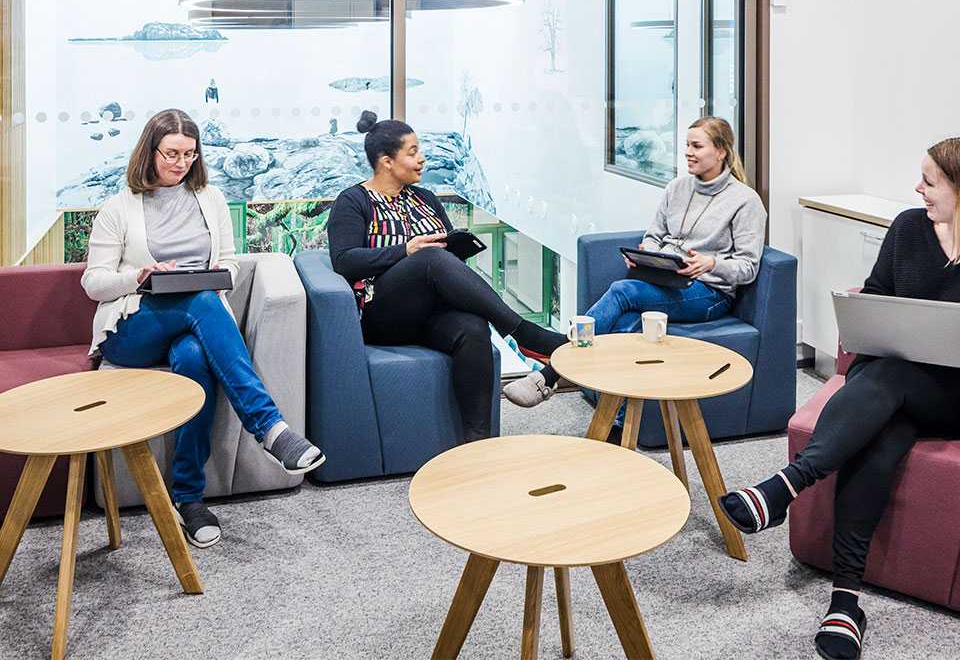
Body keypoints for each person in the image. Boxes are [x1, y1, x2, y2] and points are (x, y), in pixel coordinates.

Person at [720, 138, 960, 660]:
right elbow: (874, 293)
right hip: (891, 381)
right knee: (881, 433)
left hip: (951, 395)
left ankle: (787, 485)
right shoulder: (907, 228)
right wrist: (868, 314)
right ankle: (845, 602)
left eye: (930, 182)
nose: (917, 189)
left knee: (889, 380)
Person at [82, 109, 324, 549]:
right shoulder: (118, 209)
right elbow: (94, 284)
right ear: (149, 152)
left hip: (192, 322)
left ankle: (188, 500)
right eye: (172, 154)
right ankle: (269, 426)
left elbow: (230, 260)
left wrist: (217, 273)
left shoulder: (209, 198)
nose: (181, 163)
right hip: (134, 327)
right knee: (199, 301)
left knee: (195, 358)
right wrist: (139, 275)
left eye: (190, 154)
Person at [326, 111, 569, 436]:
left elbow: (447, 257)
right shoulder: (354, 201)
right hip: (381, 314)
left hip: (431, 314)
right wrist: (406, 250)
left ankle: (477, 442)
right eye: (412, 152)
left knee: (472, 327)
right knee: (429, 258)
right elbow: (345, 260)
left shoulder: (425, 199)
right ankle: (524, 334)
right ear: (386, 161)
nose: (422, 159)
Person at [516, 116, 766, 416]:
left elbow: (748, 266)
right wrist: (648, 254)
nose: (688, 152)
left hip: (710, 292)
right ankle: (618, 423)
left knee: (622, 291)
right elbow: (654, 234)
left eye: (697, 146)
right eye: (687, 144)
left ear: (722, 151)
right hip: (667, 279)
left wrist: (710, 262)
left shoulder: (745, 201)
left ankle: (551, 372)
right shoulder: (677, 188)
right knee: (624, 326)